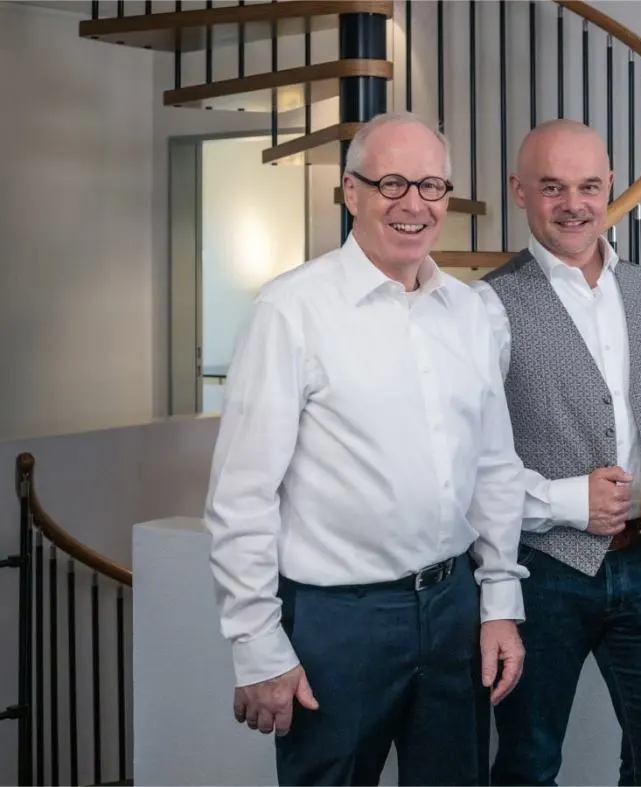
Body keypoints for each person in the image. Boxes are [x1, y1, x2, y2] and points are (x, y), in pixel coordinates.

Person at [204, 111, 528, 786]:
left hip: (451, 608)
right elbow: (241, 494)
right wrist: (258, 645)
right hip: (338, 623)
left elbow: (494, 470)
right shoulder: (290, 311)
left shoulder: (474, 315)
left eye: (432, 186)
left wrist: (498, 601)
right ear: (351, 192)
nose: (414, 204)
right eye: (392, 183)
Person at [470, 119, 641, 787]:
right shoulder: (485, 307)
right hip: (540, 573)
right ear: (519, 191)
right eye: (552, 187)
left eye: (587, 185)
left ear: (610, 185)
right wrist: (566, 499)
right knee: (527, 761)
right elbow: (468, 463)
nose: (573, 203)